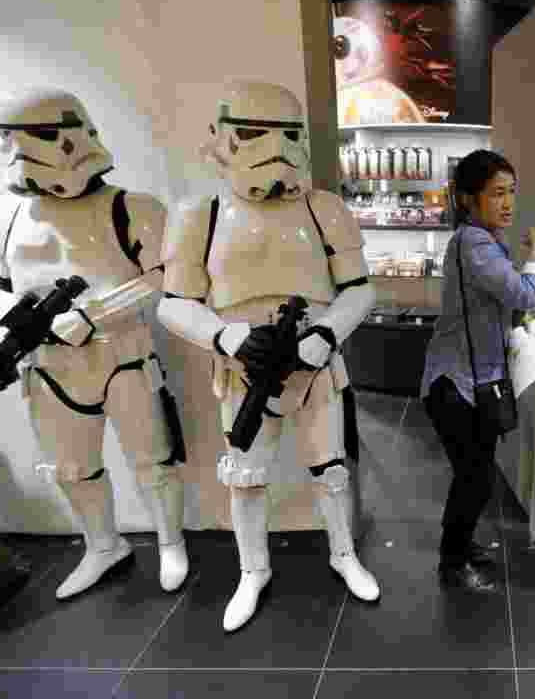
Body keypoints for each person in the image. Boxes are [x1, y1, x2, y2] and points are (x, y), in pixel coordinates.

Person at [157, 80, 380, 632]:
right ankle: (252, 569)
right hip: (241, 368)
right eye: (255, 133)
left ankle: (344, 554)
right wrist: (225, 338)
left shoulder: (323, 208)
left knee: (330, 471)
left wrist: (325, 335)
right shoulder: (199, 213)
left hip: (314, 365)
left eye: (287, 135)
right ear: (222, 138)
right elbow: (174, 303)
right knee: (245, 476)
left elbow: (360, 288)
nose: (273, 149)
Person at [0, 88, 189, 600]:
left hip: (122, 355)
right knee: (71, 468)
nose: (25, 155)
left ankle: (171, 542)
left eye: (39, 139)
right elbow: (2, 284)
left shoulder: (132, 208)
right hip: (46, 365)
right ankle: (102, 545)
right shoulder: (9, 213)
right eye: (14, 143)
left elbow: (164, 277)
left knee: (152, 460)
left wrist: (94, 313)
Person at [420, 149, 535, 593]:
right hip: (455, 384)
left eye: (511, 192)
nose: (508, 202)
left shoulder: (486, 242)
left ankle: (461, 545)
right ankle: (451, 563)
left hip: (475, 381)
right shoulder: (474, 243)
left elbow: (499, 305)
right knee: (473, 478)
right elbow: (524, 293)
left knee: (475, 475)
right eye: (496, 194)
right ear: (469, 199)